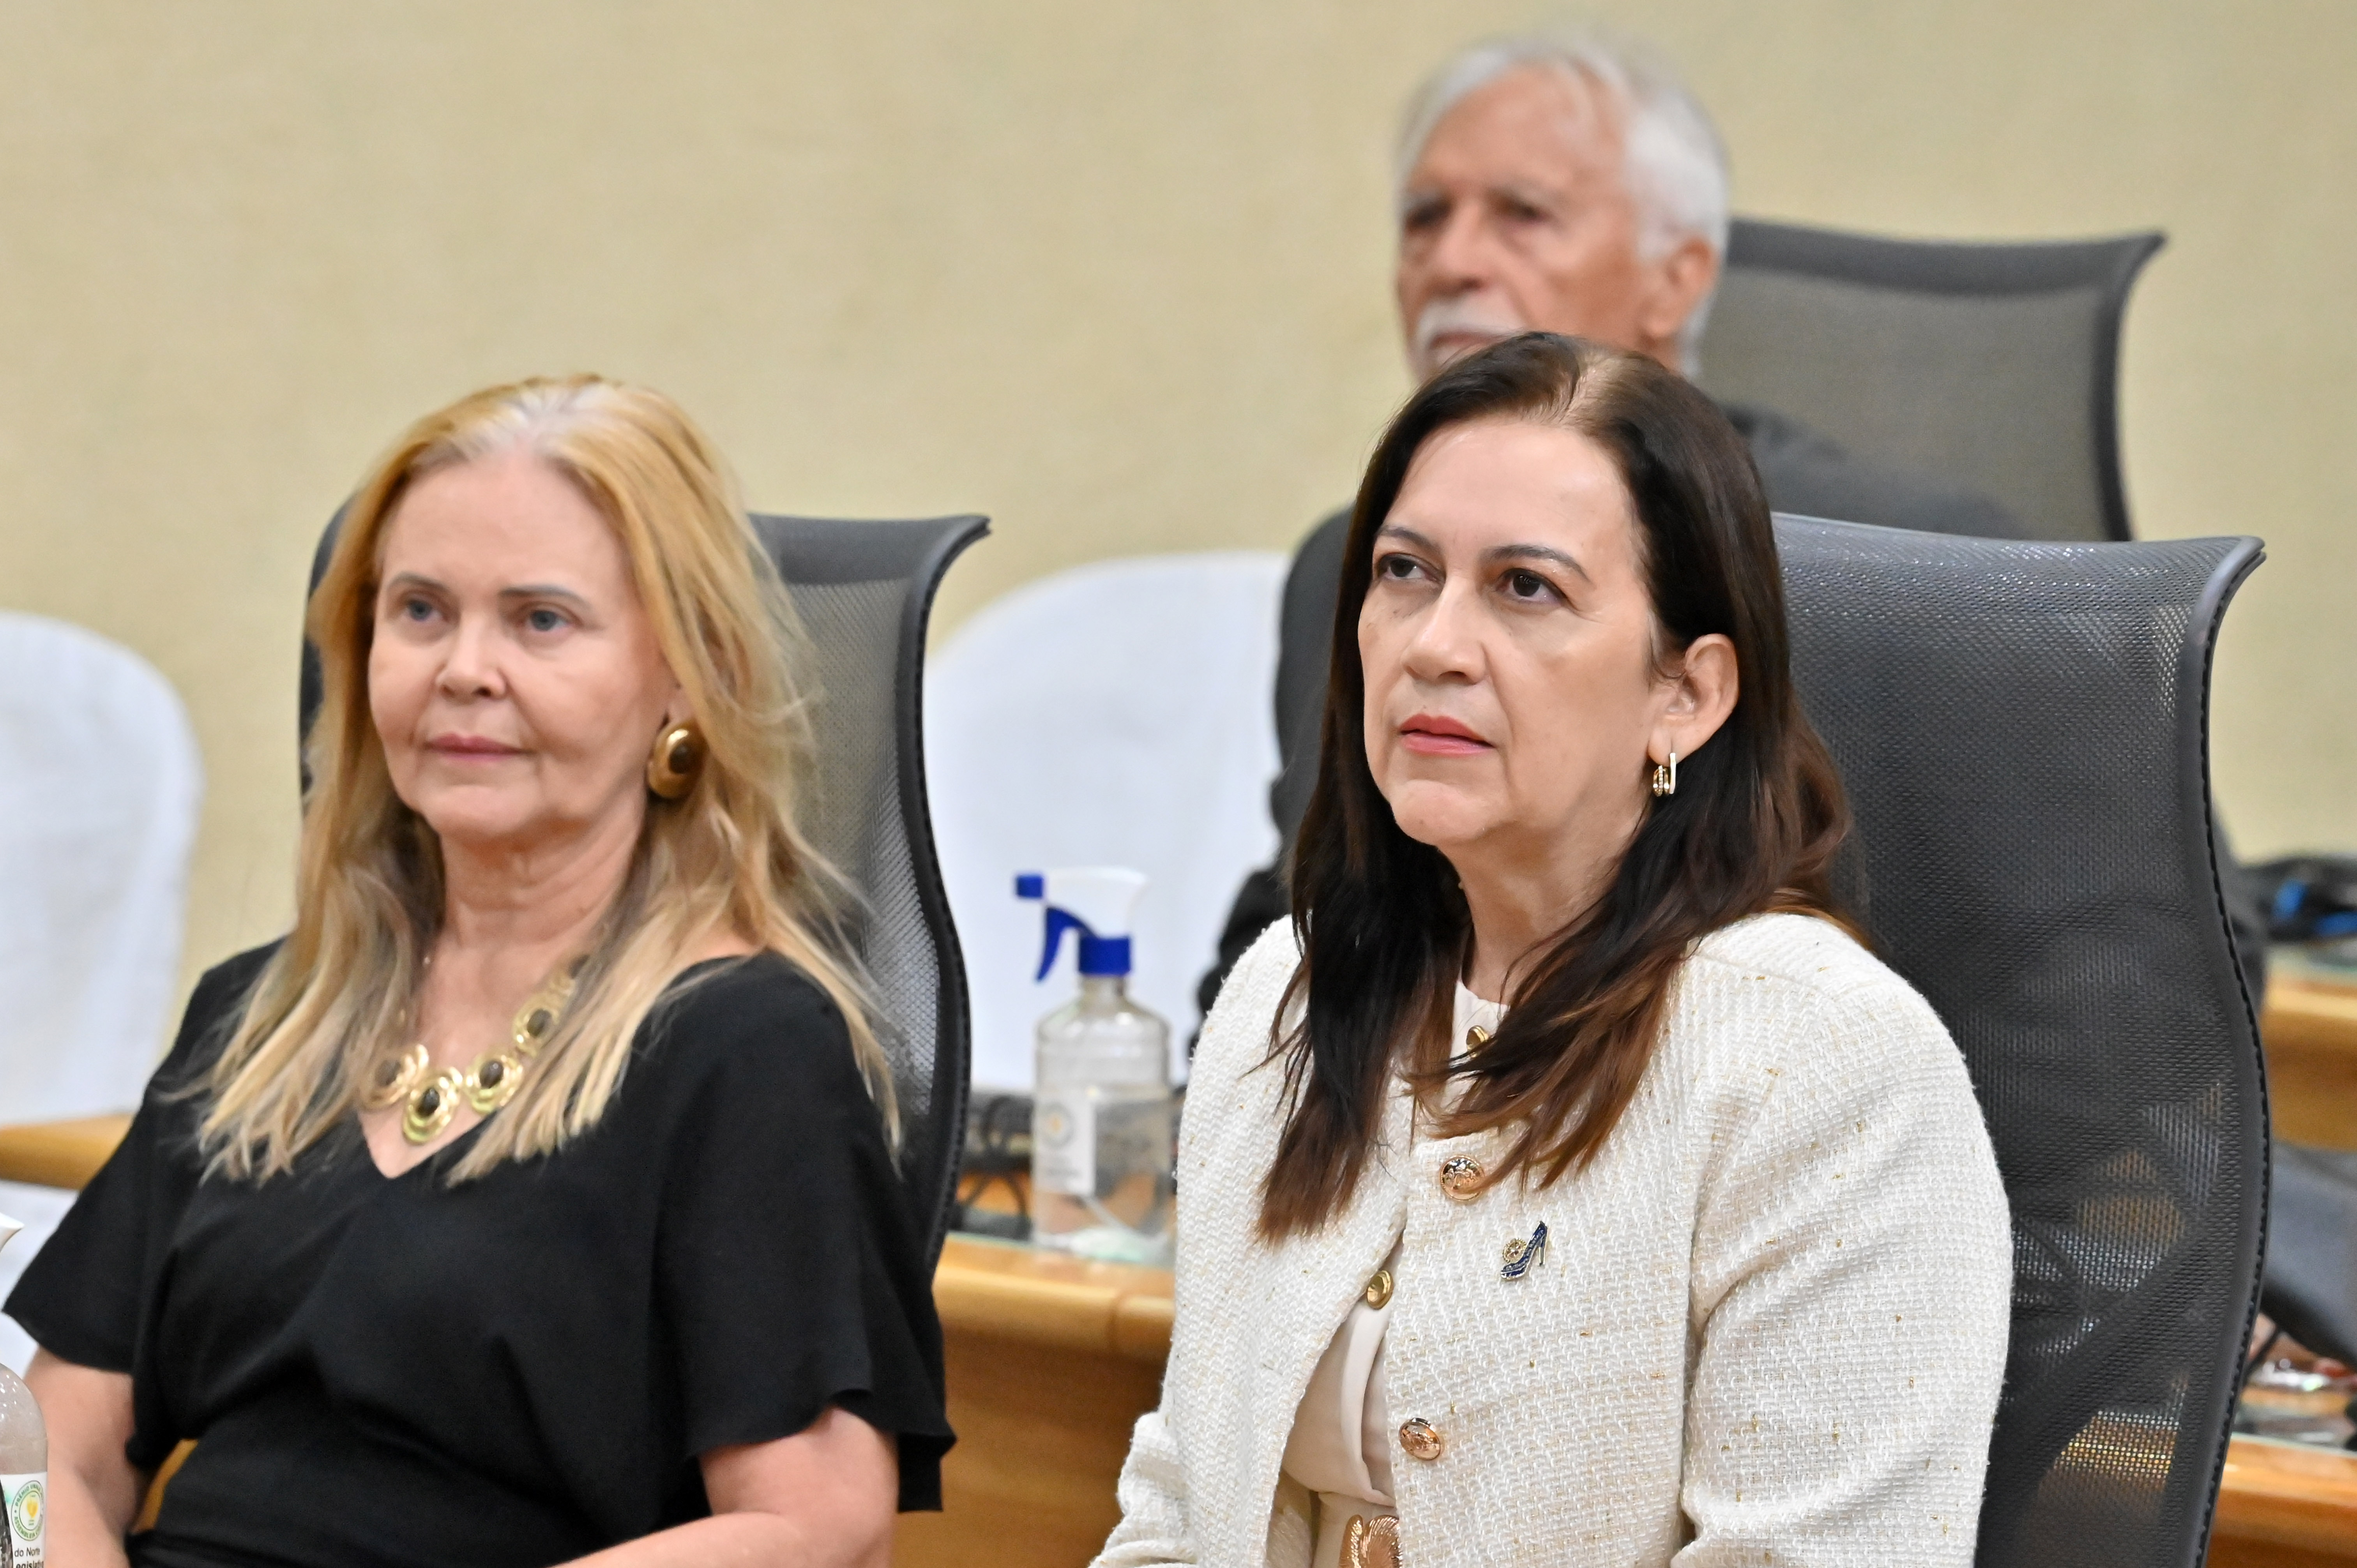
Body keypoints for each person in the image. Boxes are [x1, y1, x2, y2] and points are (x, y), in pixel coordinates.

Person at [6, 376, 952, 1568]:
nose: (464, 668)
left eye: (540, 620)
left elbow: (816, 1527)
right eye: (419, 611)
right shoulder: (262, 1019)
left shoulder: (749, 1053)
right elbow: (51, 1449)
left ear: (687, 675)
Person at [1099, 333, 2011, 1568]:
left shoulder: (1821, 1063)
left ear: (1686, 694)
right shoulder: (1290, 997)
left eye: (1525, 588)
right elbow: (1178, 1512)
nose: (1435, 644)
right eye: (1405, 572)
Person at [1200, 32, 2029, 1017]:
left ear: (1676, 279)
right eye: (1425, 217)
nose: (1451, 261)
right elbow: (1302, 913)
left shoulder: (1924, 561)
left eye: (1524, 214)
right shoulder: (1339, 562)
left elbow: (2074, 984)